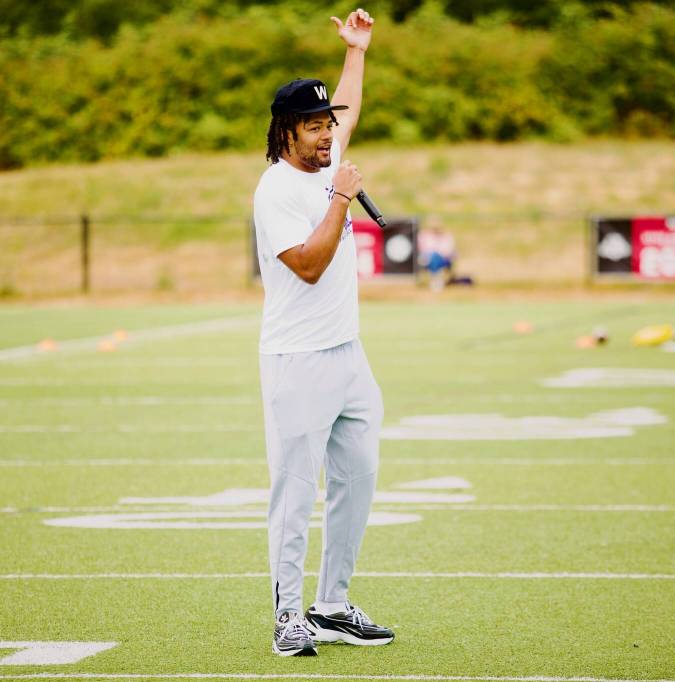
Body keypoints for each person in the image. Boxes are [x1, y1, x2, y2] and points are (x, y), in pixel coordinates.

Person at [252, 7, 394, 658]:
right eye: (314, 126)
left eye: (327, 124)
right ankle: (288, 615)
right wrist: (339, 199)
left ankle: (333, 603)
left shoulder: (329, 154)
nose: (327, 134)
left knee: (357, 479)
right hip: (297, 362)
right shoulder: (276, 190)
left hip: (348, 356)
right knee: (295, 491)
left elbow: (350, 108)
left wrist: (356, 51)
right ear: (287, 131)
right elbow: (308, 266)